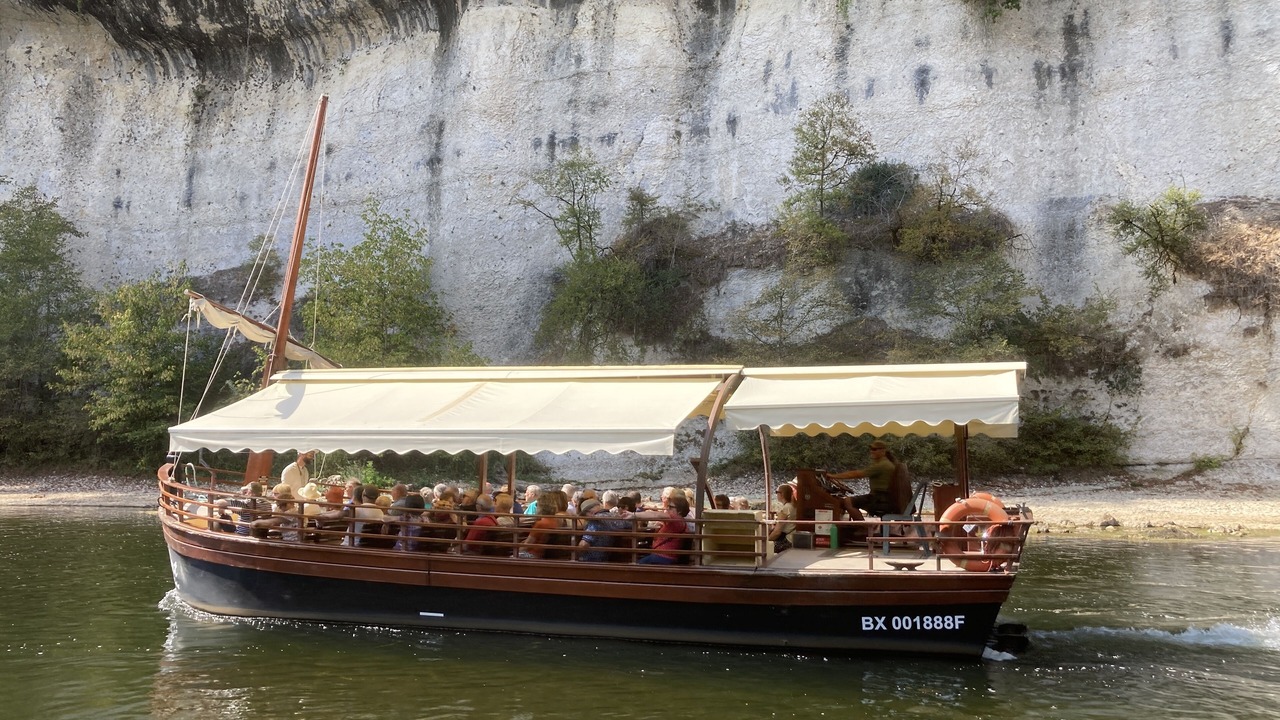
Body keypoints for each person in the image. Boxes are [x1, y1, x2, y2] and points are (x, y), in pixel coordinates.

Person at [827, 440, 898, 518]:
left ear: (883, 451)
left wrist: (833, 476)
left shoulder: (882, 465)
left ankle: (862, 527)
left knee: (848, 501)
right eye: (871, 449)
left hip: (880, 499)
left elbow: (857, 474)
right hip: (882, 497)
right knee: (851, 501)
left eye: (874, 449)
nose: (871, 451)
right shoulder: (884, 464)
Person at [634, 494, 691, 565]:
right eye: (667, 506)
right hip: (662, 556)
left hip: (663, 557)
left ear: (679, 510)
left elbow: (657, 515)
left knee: (636, 566)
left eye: (670, 507)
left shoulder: (676, 519)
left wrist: (633, 515)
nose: (667, 509)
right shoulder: (677, 522)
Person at [769, 484, 797, 553]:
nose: (776, 494)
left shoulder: (786, 508)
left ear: (781, 494)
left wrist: (766, 541)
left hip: (787, 541)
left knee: (764, 548)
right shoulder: (793, 506)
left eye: (776, 492)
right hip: (792, 539)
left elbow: (777, 532)